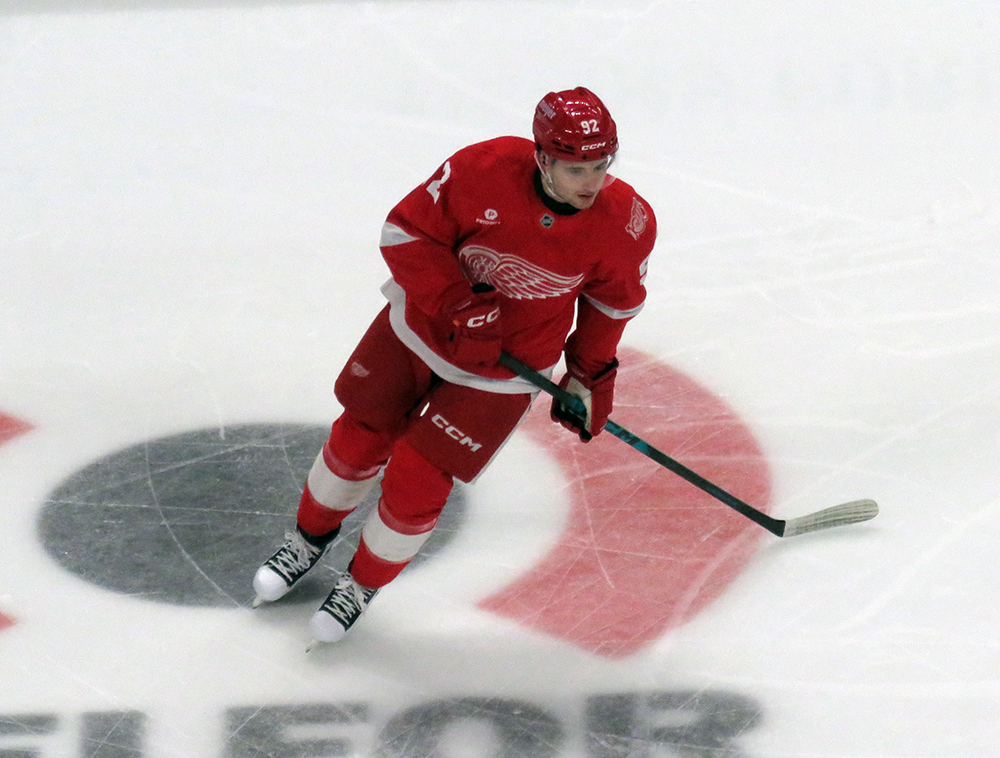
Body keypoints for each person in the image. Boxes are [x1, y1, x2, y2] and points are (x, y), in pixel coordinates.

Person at [252, 87, 657, 645]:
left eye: (600, 166)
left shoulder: (625, 223)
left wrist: (590, 376)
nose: (591, 182)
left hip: (506, 368)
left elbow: (610, 305)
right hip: (418, 330)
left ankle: (361, 585)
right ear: (542, 157)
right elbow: (405, 233)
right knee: (358, 439)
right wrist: (457, 303)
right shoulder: (480, 169)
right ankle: (306, 540)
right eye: (575, 168)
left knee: (419, 479)